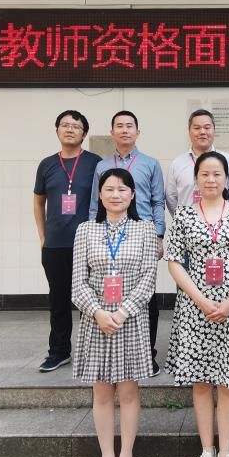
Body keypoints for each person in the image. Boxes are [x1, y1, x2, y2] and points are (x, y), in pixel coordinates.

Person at [165, 151, 229, 457]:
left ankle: (225, 456)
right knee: (202, 382)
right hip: (196, 309)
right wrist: (201, 300)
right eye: (204, 173)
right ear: (196, 178)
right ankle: (206, 452)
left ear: (226, 178)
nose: (210, 179)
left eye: (217, 173)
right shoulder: (184, 215)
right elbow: (174, 261)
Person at [71, 168, 158, 457]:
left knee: (129, 392)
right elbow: (77, 282)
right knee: (102, 393)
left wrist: (121, 312)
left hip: (130, 320)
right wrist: (98, 312)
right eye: (109, 189)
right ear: (100, 194)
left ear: (132, 195)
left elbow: (149, 279)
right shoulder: (85, 230)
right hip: (95, 321)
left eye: (122, 189)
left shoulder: (145, 229)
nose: (116, 194)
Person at [88, 111, 166, 376]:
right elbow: (95, 204)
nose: (124, 130)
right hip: (107, 235)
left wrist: (158, 235)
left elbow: (157, 201)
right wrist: (92, 234)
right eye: (119, 126)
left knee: (145, 296)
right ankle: (108, 350)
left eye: (129, 126)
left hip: (142, 236)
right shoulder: (102, 166)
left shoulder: (150, 164)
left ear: (137, 132)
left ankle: (147, 354)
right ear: (112, 132)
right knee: (106, 293)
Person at [33, 110, 102, 372]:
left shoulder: (95, 163)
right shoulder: (47, 165)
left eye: (76, 126)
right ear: (57, 131)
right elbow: (38, 202)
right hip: (55, 245)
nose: (70, 129)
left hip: (88, 244)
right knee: (58, 300)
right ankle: (59, 351)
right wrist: (43, 237)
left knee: (91, 299)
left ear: (84, 134)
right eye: (65, 125)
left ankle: (92, 348)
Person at [165, 109, 229, 213]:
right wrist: (183, 218)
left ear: (214, 130)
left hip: (221, 221)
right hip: (187, 221)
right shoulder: (177, 164)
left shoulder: (228, 161)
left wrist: (226, 218)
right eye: (197, 128)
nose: (202, 132)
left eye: (207, 127)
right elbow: (171, 197)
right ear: (189, 131)